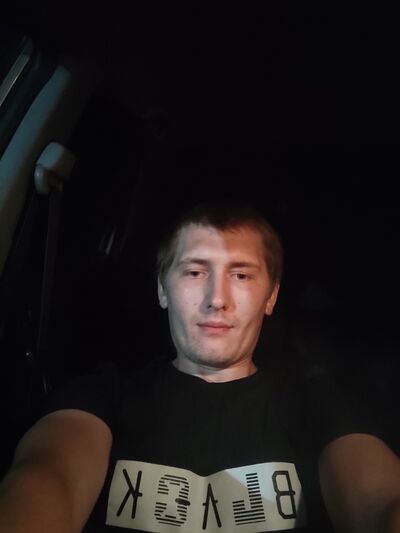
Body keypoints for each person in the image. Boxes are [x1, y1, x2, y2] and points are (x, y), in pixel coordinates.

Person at [0, 199, 399, 533]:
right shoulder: (99, 397)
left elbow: (381, 501)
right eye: (195, 271)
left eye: (241, 275)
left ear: (271, 297)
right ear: (162, 289)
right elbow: (47, 477)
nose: (216, 299)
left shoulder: (319, 406)